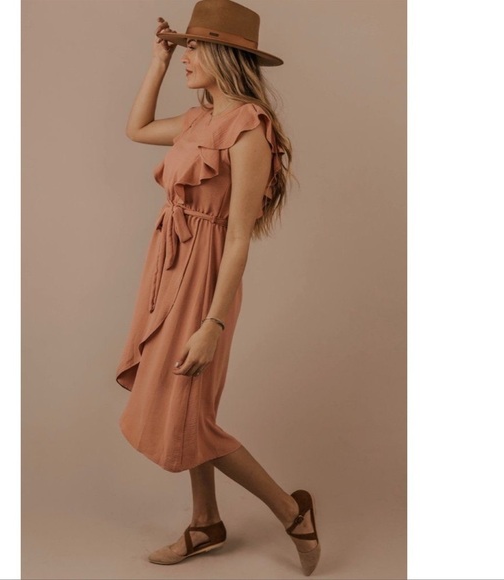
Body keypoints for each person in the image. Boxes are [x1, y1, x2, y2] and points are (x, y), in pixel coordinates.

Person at [114, 0, 321, 575]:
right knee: (186, 407)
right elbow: (136, 129)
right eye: (185, 48)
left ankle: (292, 512)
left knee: (190, 416)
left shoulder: (249, 127)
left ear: (225, 55)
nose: (187, 57)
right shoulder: (197, 120)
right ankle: (206, 521)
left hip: (205, 278)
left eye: (195, 48)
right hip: (167, 267)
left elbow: (237, 239)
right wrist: (158, 61)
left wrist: (214, 322)